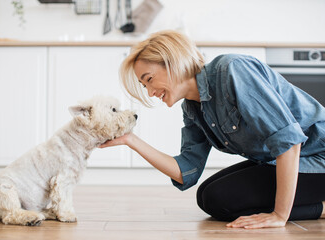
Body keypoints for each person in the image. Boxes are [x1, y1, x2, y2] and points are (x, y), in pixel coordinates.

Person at [99, 30, 325, 229]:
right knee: (208, 197)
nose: (150, 92)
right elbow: (186, 170)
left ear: (172, 62)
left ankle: (319, 208)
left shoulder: (232, 70)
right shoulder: (191, 108)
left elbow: (288, 141)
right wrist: (131, 140)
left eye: (149, 79)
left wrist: (279, 215)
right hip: (292, 158)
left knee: (221, 197)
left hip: (317, 156)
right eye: (144, 85)